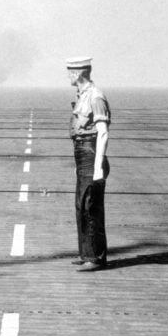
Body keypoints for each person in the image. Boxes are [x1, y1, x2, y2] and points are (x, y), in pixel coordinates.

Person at [67, 56, 111, 272]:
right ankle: (87, 254)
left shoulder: (95, 97)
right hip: (82, 154)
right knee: (81, 206)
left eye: (70, 72)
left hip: (92, 152)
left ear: (78, 74)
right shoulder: (82, 95)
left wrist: (97, 167)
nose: (68, 76)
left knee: (91, 207)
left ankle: (96, 258)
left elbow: (103, 133)